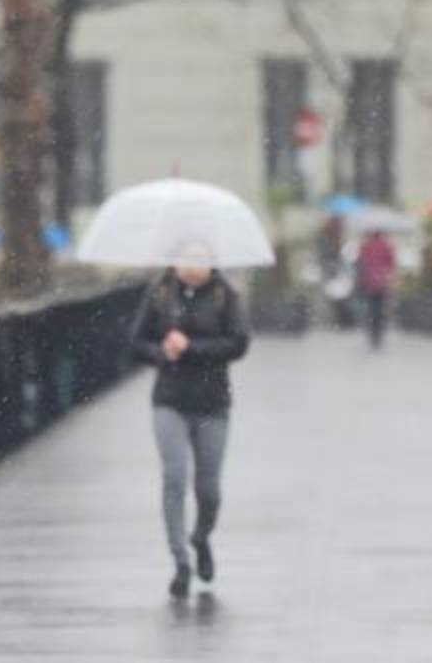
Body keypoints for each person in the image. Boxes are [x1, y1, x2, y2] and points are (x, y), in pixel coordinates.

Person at [130, 242, 250, 599]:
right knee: (174, 477)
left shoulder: (225, 295)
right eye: (185, 260)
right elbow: (137, 341)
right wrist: (163, 353)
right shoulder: (161, 292)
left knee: (208, 488)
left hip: (213, 403)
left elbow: (239, 343)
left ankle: (201, 535)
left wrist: (192, 348)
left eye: (200, 260)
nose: (192, 267)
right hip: (170, 400)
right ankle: (180, 558)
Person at [355, 229, 397, 349]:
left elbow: (360, 263)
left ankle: (372, 332)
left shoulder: (365, 246)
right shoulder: (387, 246)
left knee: (371, 309)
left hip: (368, 283)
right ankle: (378, 333)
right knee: (381, 310)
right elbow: (391, 264)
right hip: (382, 283)